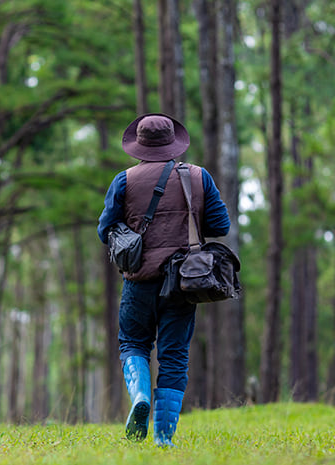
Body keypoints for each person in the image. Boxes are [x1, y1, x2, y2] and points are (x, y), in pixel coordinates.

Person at [97, 113, 230, 447]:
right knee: (173, 356)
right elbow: (221, 225)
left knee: (133, 343)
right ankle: (163, 438)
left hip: (138, 280)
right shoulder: (199, 177)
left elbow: (105, 230)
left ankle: (140, 394)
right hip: (183, 282)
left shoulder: (124, 180)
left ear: (138, 144)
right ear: (174, 142)